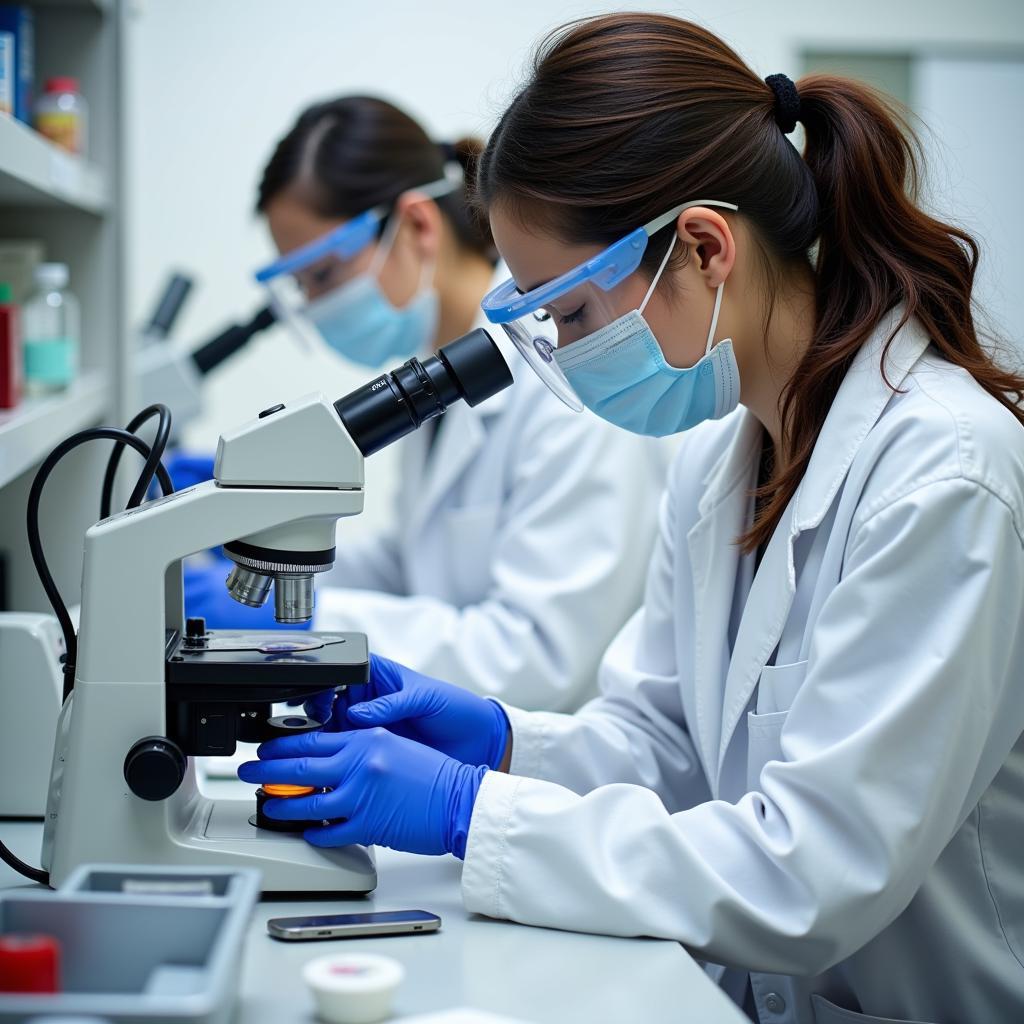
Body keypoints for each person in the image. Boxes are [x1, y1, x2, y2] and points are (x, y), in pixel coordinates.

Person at [238, 16, 1024, 1024]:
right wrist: (495, 740)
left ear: (702, 246)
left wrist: (464, 813)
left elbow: (811, 869)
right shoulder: (717, 454)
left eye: (568, 314)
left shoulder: (943, 474)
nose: (561, 354)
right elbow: (668, 746)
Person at [186, 95, 664, 711]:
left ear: (415, 225)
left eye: (324, 275)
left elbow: (538, 656)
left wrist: (308, 624)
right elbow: (413, 564)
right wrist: (262, 551)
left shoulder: (567, 376)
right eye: (301, 286)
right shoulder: (433, 375)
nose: (316, 304)